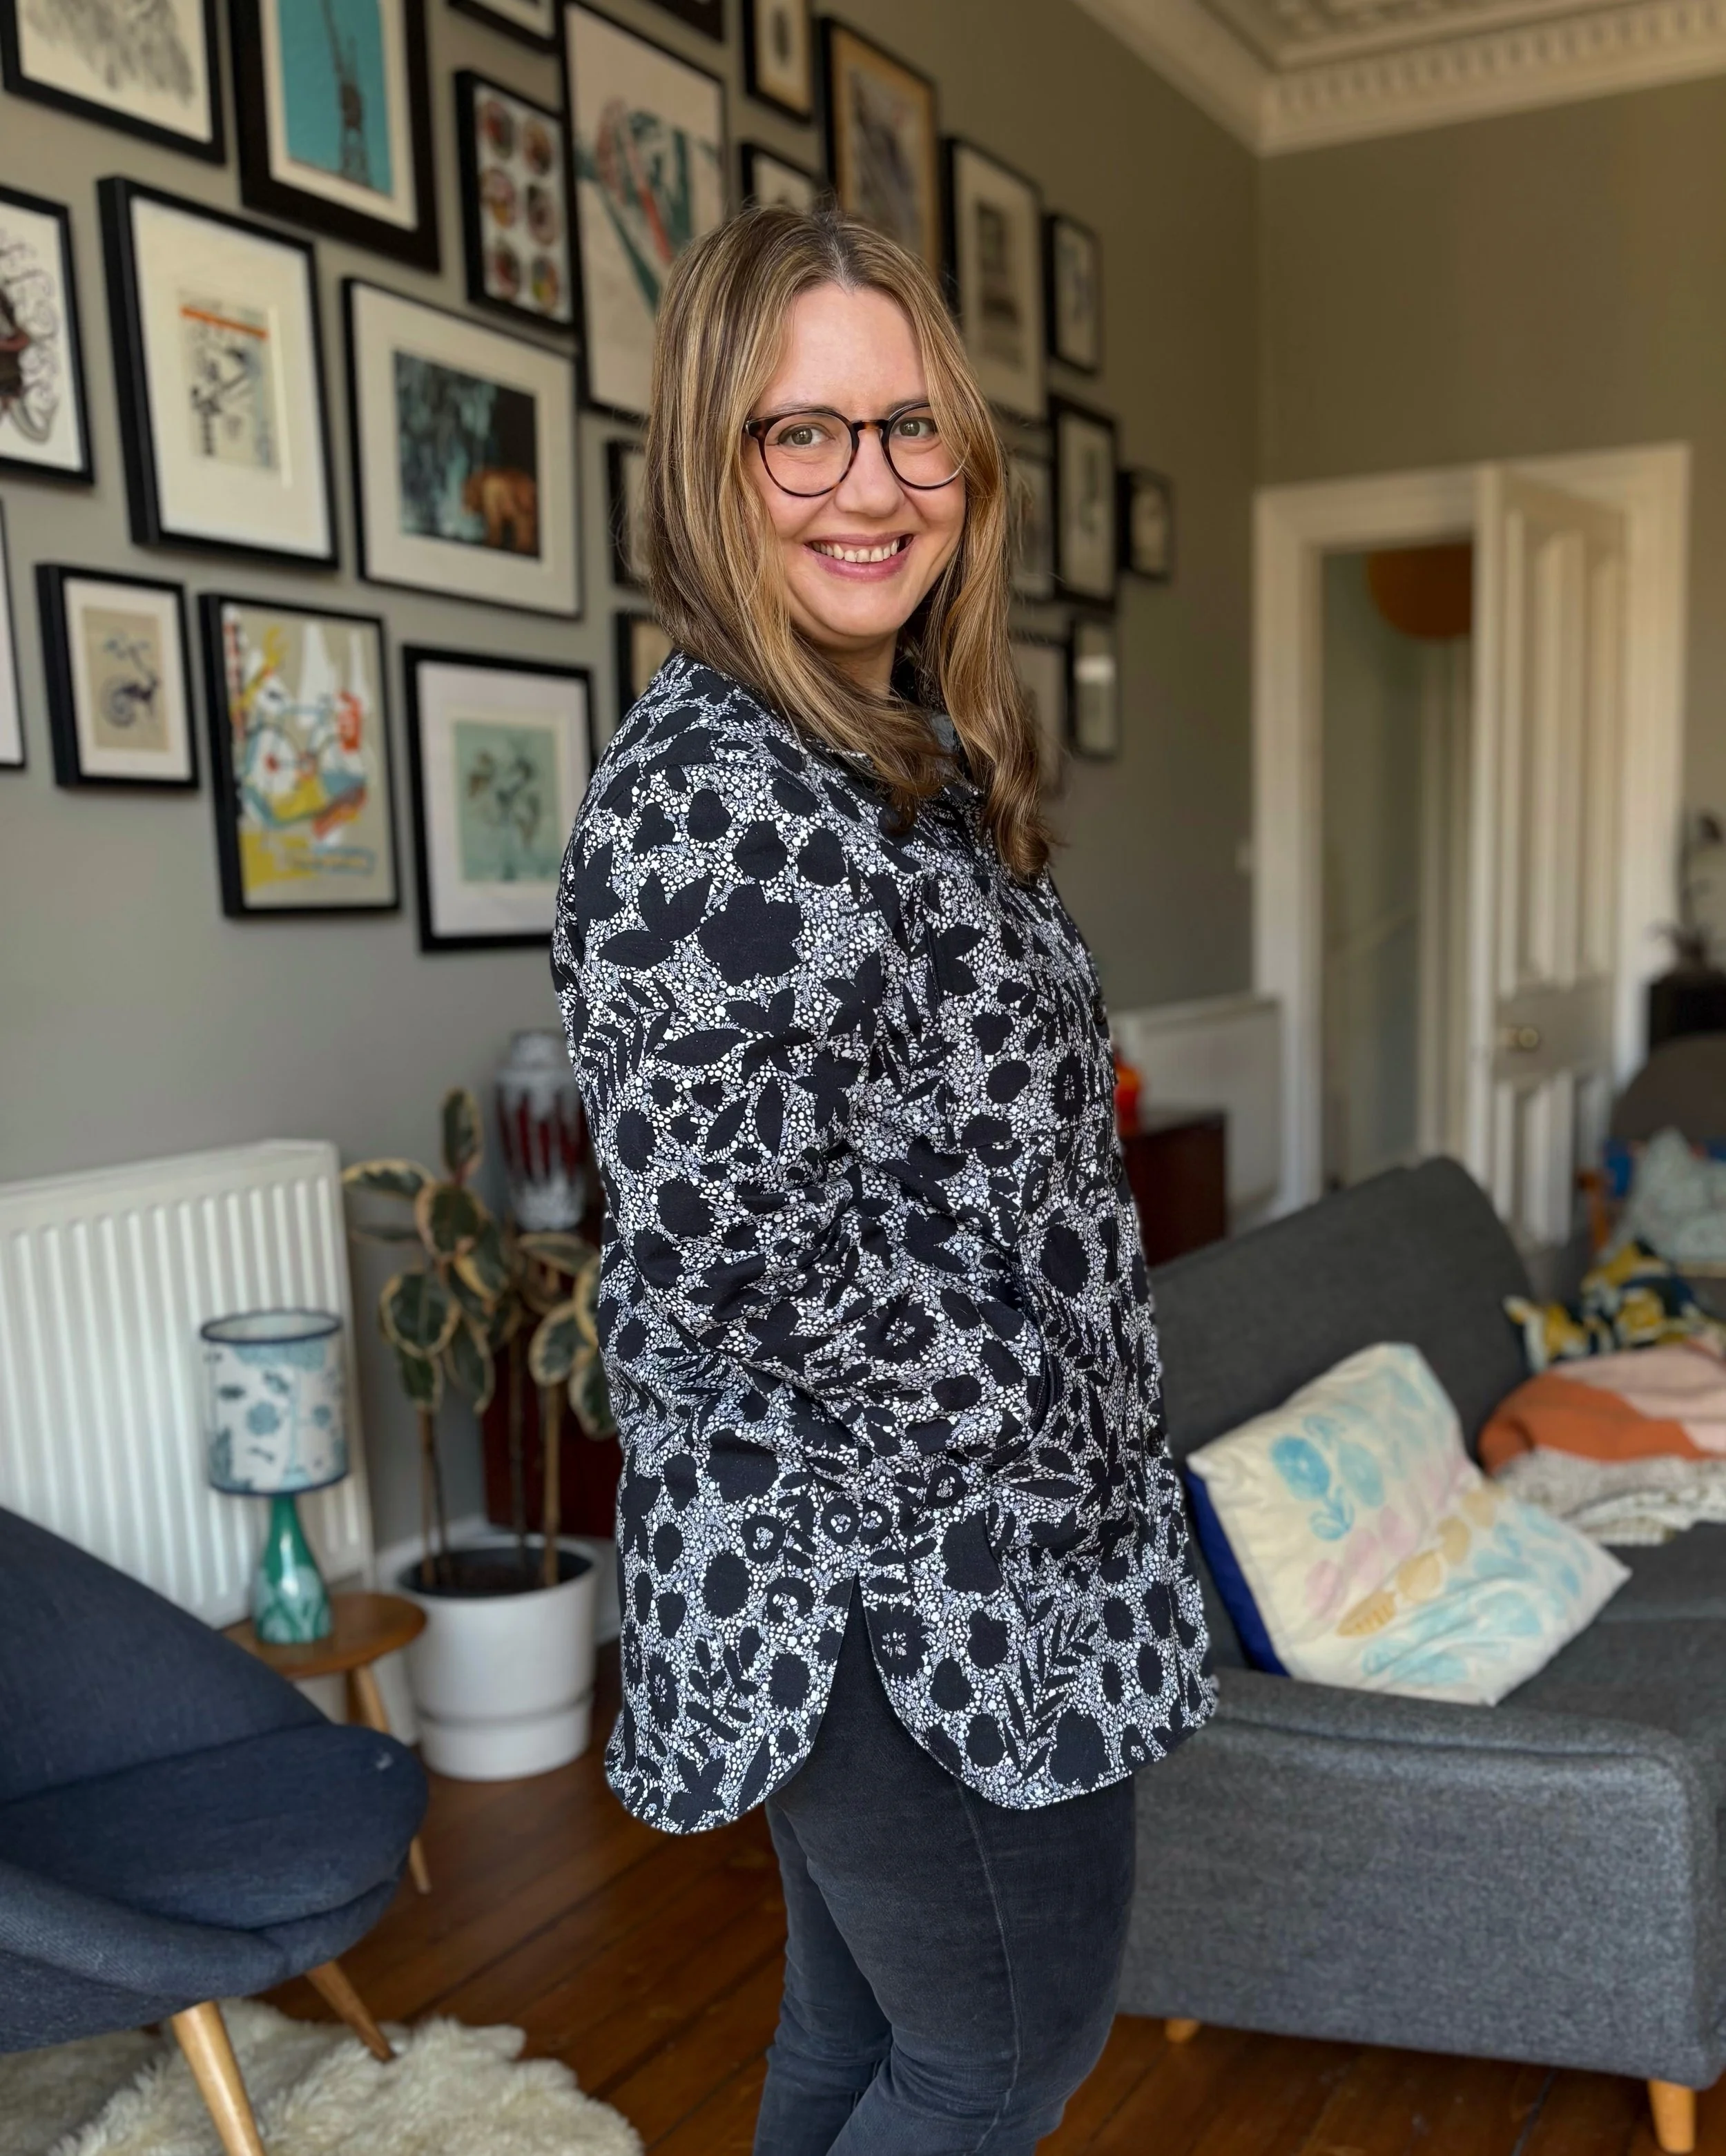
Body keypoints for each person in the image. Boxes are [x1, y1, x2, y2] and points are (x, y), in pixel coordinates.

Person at [552, 204, 1214, 2156]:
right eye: (803, 432)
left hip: (968, 1539)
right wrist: (1026, 1424)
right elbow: (729, 1252)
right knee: (994, 2056)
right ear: (711, 464)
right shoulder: (717, 794)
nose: (873, 483)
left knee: (864, 2036)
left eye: (912, 425)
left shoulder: (882, 748)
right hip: (900, 1575)